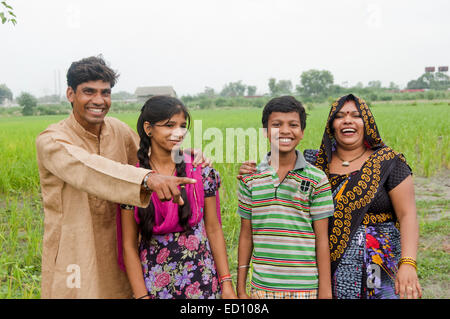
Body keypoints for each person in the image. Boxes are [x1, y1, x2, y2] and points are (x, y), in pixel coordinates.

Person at [36, 56, 208, 298]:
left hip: (119, 245)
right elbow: (87, 168)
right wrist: (149, 179)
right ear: (70, 94)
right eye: (88, 91)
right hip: (75, 250)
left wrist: (184, 155)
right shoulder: (52, 140)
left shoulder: (117, 129)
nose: (98, 100)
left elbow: (150, 154)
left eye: (105, 92)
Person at [240, 94, 422, 299]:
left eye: (356, 115)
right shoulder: (315, 161)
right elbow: (280, 162)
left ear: (367, 122)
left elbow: (408, 215)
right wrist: (251, 169)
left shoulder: (388, 162)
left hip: (376, 265)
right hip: (327, 270)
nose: (347, 120)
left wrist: (408, 263)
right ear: (331, 124)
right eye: (340, 116)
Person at [119, 96, 236, 299]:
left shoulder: (201, 171)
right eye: (169, 125)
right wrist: (141, 295)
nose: (178, 132)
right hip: (154, 285)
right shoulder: (135, 180)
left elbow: (214, 228)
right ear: (148, 128)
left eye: (183, 126)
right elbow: (128, 245)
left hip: (203, 281)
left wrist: (226, 283)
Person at [236, 96, 334, 299]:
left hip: (306, 289)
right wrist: (241, 288)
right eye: (276, 125)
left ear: (302, 132)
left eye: (293, 124)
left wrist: (325, 292)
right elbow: (246, 235)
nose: (285, 131)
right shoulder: (250, 178)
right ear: (265, 132)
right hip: (261, 290)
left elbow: (321, 239)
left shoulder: (317, 179)